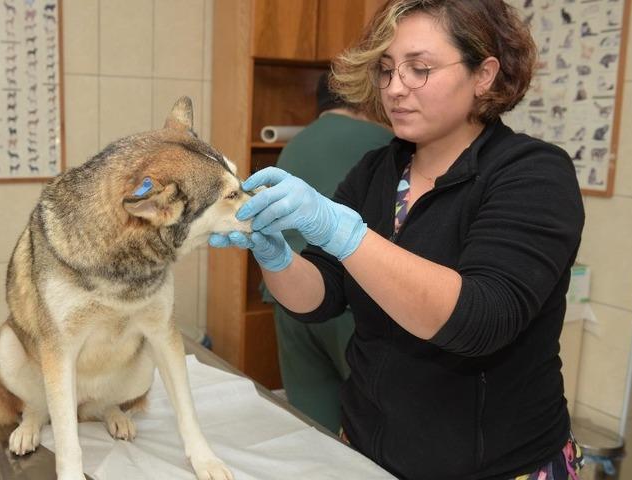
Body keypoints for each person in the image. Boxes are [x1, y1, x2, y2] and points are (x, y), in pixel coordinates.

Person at [210, 1, 586, 479]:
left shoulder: (532, 174)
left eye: (420, 69)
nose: (394, 88)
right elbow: (320, 299)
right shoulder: (376, 171)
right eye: (386, 71)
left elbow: (480, 320)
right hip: (369, 451)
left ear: (484, 74)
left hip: (497, 465)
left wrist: (344, 233)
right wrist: (274, 254)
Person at [266, 72, 392, 433]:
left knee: (313, 424)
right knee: (372, 429)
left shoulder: (295, 144)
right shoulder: (384, 144)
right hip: (351, 304)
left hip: (288, 297)